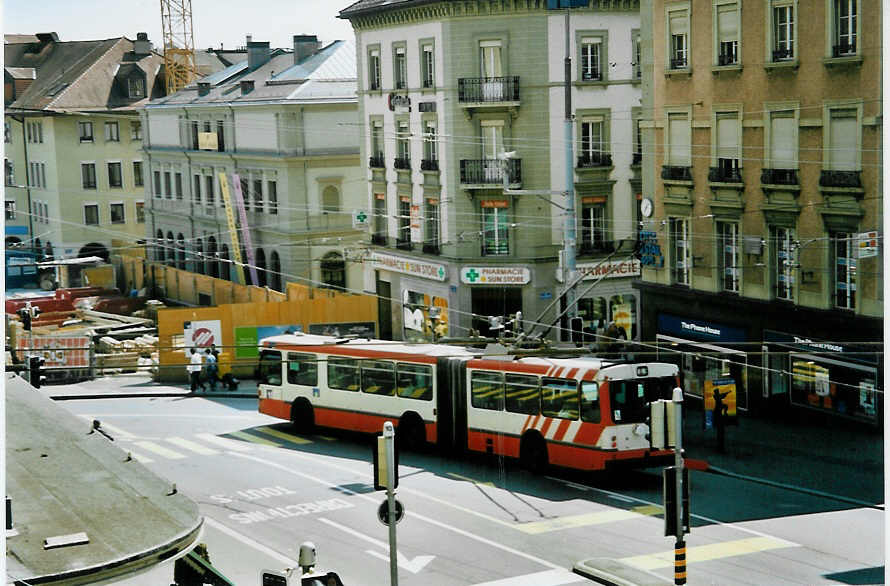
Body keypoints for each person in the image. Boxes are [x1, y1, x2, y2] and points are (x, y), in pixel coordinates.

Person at [713, 387, 730, 453]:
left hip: (719, 414)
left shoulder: (718, 396)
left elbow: (722, 396)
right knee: (720, 432)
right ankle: (719, 447)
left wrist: (726, 393)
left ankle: (720, 447)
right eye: (717, 391)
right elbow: (720, 397)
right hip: (718, 414)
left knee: (720, 432)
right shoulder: (716, 396)